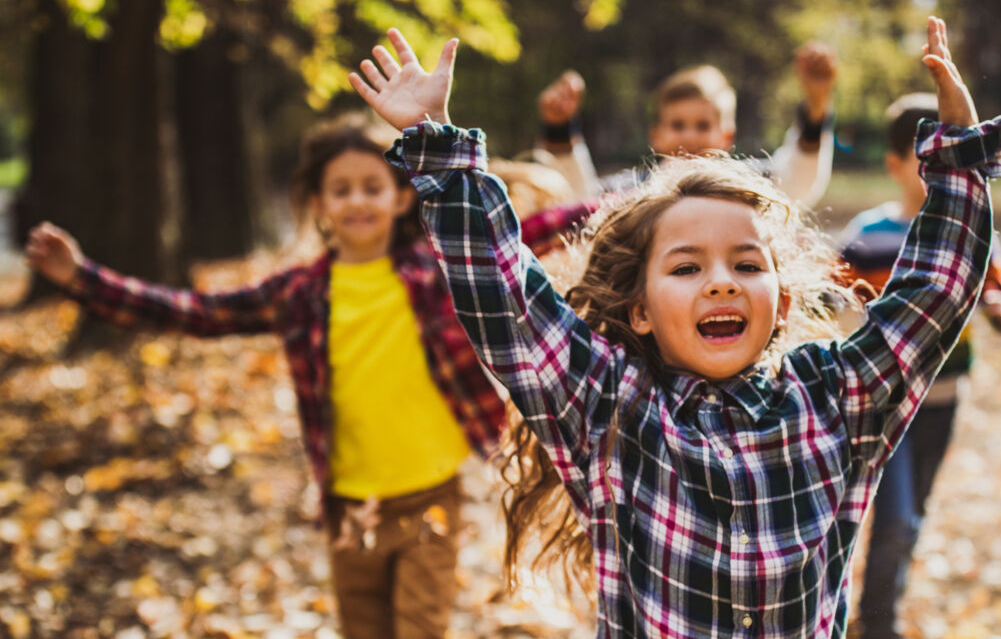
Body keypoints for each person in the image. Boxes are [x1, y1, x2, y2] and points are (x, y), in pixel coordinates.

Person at [349, 16, 1001, 638]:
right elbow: (505, 296)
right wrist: (439, 146)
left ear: (783, 300)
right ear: (640, 308)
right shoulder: (608, 405)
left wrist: (960, 160)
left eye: (746, 264)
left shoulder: (835, 400)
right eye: (686, 267)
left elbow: (932, 296)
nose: (721, 281)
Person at [23, 114, 588, 639]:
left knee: (421, 627)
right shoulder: (299, 294)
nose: (358, 201)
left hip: (431, 500)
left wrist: (623, 200)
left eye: (372, 186)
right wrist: (83, 279)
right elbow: (195, 313)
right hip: (349, 504)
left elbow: (524, 234)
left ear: (398, 196)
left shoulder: (433, 270)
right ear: (318, 204)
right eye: (341, 190)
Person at [838, 92, 1001, 639]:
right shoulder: (868, 235)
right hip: (885, 405)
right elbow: (822, 294)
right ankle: (879, 626)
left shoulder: (972, 237)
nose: (936, 175)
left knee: (912, 519)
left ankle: (880, 611)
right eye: (924, 162)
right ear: (895, 163)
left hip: (946, 401)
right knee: (895, 517)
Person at [534, 42, 839, 207]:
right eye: (678, 125)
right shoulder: (632, 191)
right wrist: (559, 130)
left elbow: (797, 181)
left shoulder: (750, 185)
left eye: (703, 125)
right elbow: (578, 202)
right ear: (656, 135)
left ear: (726, 135)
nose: (690, 136)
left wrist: (815, 107)